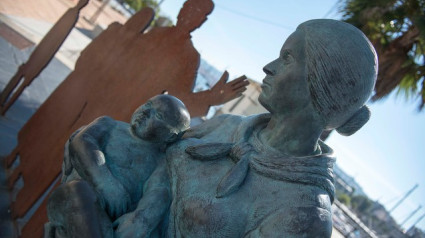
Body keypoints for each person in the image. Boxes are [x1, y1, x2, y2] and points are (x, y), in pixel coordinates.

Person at [159, 19, 377, 237]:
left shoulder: (307, 217)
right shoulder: (226, 124)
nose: (269, 67)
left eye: (287, 58)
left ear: (323, 85)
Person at [46, 94, 190, 238]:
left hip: (109, 223)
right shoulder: (109, 125)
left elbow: (158, 193)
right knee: (78, 190)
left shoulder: (162, 162)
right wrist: (105, 183)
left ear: (171, 136)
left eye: (158, 115)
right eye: (147, 105)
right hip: (73, 200)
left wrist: (140, 220)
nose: (145, 113)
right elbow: (81, 142)